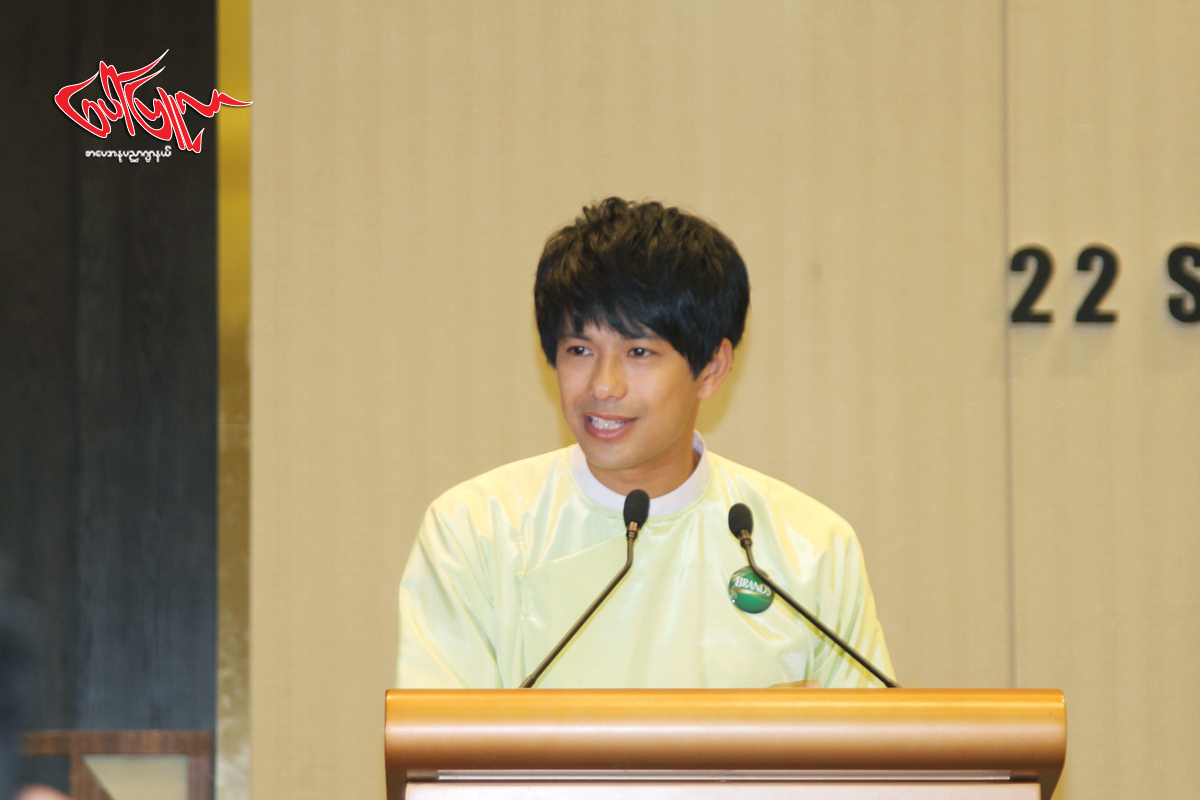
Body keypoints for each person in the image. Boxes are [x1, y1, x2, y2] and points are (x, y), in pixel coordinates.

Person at [396, 197, 892, 689]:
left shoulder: (811, 547)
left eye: (638, 351)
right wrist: (742, 729)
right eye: (579, 349)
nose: (602, 385)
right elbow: (441, 737)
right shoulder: (476, 531)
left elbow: (872, 737)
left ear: (711, 368)